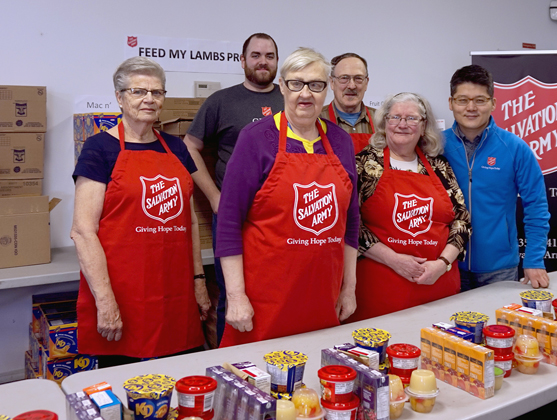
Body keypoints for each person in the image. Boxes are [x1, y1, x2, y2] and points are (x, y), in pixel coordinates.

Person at [71, 57, 210, 367]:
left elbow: (188, 220)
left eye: (157, 92)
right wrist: (105, 302)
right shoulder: (99, 149)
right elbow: (82, 231)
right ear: (119, 98)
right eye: (138, 91)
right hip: (123, 294)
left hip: (175, 294)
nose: (149, 99)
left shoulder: (176, 148)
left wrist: (199, 281)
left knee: (182, 384)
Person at [216, 47, 359, 347]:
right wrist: (236, 296)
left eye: (316, 85)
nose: (305, 94)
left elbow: (351, 223)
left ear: (328, 88)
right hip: (265, 298)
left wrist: (349, 288)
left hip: (323, 296)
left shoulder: (341, 141)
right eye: (296, 83)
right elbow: (228, 222)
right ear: (282, 86)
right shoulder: (255, 139)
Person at [183, 33, 283, 345]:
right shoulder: (221, 102)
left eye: (269, 55)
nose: (263, 61)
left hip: (282, 215)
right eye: (255, 55)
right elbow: (189, 147)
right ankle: (228, 363)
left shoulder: (290, 99)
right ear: (242, 61)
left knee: (278, 289)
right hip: (235, 215)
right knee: (232, 292)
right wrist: (214, 196)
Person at [347, 93, 471, 322]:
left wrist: (442, 264)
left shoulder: (439, 165)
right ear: (384, 123)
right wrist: (394, 260)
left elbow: (462, 219)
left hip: (438, 288)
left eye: (412, 118)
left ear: (424, 126)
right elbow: (350, 223)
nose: (402, 124)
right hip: (380, 292)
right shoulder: (364, 164)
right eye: (395, 117)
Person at [442, 64, 550, 291]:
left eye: (480, 100)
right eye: (462, 100)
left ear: (493, 103)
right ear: (451, 103)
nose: (471, 108)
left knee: (498, 326)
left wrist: (534, 259)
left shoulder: (515, 148)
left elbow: (536, 206)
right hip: (446, 265)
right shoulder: (434, 147)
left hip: (499, 268)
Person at [320, 53, 375, 153]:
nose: (352, 86)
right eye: (344, 78)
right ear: (332, 82)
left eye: (358, 78)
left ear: (366, 83)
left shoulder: (382, 121)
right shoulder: (317, 120)